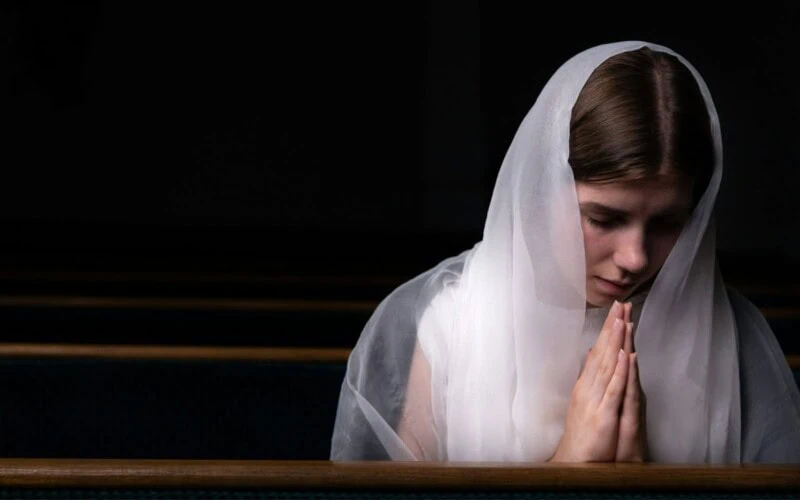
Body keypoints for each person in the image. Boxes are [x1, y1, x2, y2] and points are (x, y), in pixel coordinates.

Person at [330, 41, 800, 463]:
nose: (635, 258)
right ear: (541, 189)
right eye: (604, 219)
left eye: (667, 223)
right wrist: (568, 470)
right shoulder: (445, 326)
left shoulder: (733, 333)